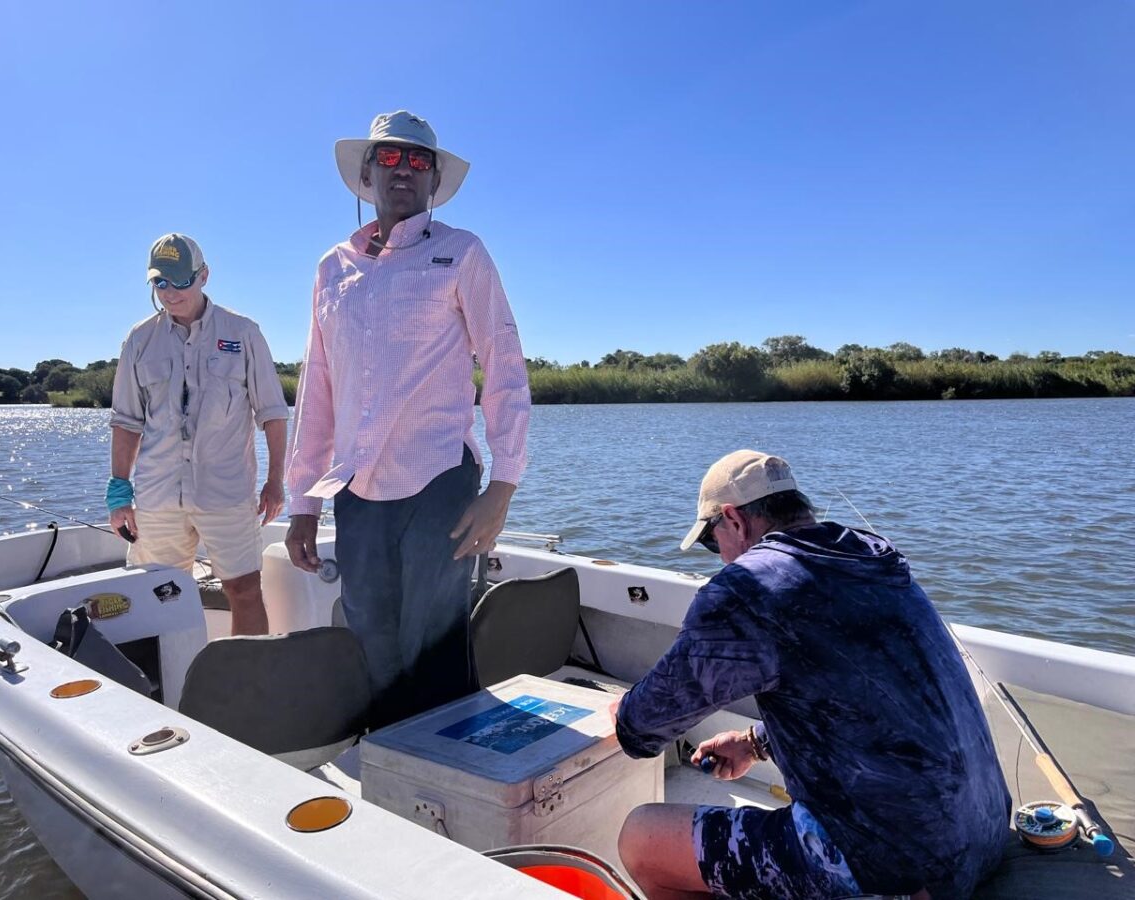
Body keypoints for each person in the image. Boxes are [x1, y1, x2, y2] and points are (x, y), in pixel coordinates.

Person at [613, 450, 1011, 900]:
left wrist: (619, 709)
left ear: (734, 520)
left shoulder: (747, 589)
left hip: (895, 873)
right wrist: (755, 742)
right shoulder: (872, 559)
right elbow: (866, 701)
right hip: (983, 836)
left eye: (712, 540)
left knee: (642, 838)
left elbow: (641, 730)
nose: (719, 557)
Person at [285, 111, 530, 726]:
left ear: (434, 178)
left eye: (418, 161)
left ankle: (450, 780)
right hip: (357, 488)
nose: (403, 170)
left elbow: (503, 363)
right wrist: (303, 505)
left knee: (436, 643)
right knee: (373, 638)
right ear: (366, 173)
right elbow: (317, 390)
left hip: (441, 481)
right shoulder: (331, 269)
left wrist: (503, 486)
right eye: (389, 159)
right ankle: (393, 768)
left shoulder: (462, 253)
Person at [108, 234, 289, 635]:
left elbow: (274, 415)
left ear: (204, 276)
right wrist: (119, 492)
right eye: (160, 284)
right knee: (156, 593)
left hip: (227, 493)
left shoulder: (244, 333)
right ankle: (171, 686)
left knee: (243, 590)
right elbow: (126, 421)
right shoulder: (138, 340)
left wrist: (275, 483)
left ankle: (248, 686)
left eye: (181, 282)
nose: (171, 294)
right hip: (157, 496)